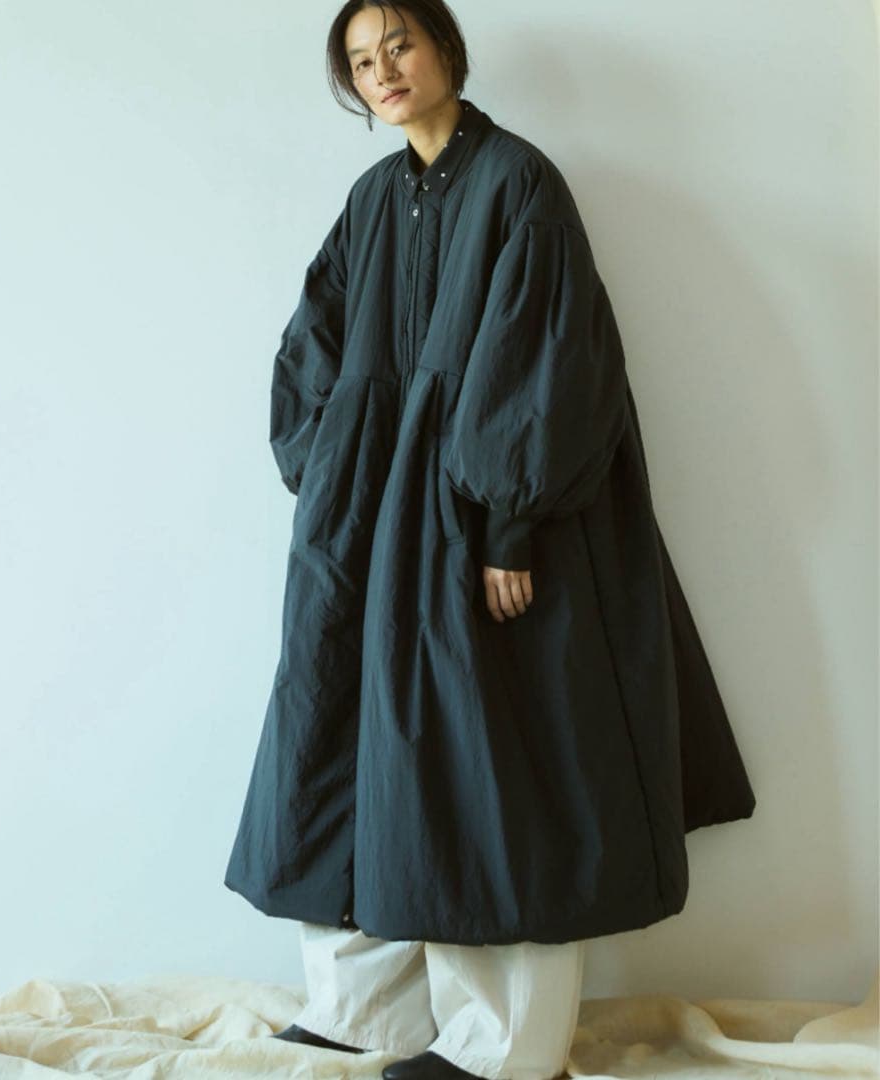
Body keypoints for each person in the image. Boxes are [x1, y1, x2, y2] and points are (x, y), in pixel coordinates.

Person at [223, 3, 757, 1079]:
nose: (383, 71)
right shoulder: (373, 198)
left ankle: (506, 1048)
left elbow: (552, 363)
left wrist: (509, 524)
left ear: (444, 49)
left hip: (473, 526)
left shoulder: (519, 183)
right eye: (360, 61)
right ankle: (365, 1013)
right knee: (340, 748)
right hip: (370, 525)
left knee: (486, 767)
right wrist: (326, 470)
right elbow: (314, 340)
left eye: (399, 46)